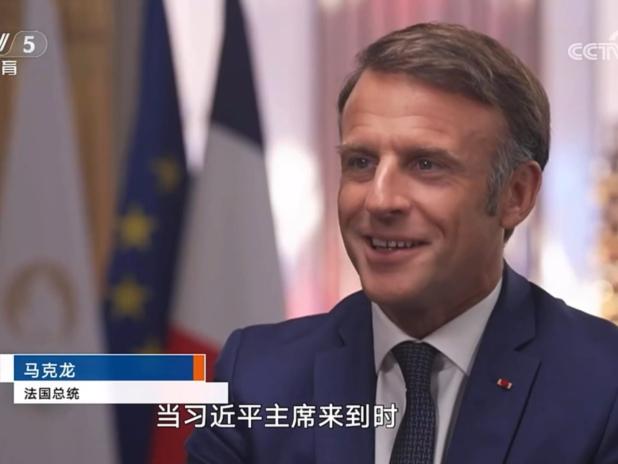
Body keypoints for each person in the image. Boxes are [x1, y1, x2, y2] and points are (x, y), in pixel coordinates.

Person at [186, 22, 618, 464]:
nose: (379, 199)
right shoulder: (255, 377)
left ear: (516, 194)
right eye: (361, 162)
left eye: (426, 164)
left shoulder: (604, 385)